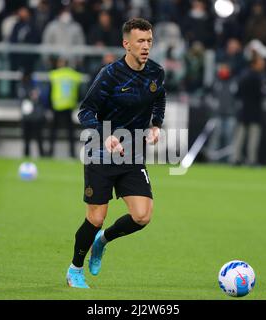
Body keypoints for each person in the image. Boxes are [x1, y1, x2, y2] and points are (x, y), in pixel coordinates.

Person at [65, 18, 166, 289]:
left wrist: (156, 125)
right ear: (126, 44)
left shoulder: (156, 72)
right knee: (96, 217)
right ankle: (75, 269)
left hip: (132, 154)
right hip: (100, 151)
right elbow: (85, 111)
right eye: (140, 42)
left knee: (142, 216)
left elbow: (159, 98)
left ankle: (103, 242)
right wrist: (105, 134)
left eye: (149, 42)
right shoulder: (110, 74)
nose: (146, 47)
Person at [230, 52, 266, 166]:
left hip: (243, 110)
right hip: (254, 111)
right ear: (254, 64)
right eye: (261, 62)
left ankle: (235, 158)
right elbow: (262, 94)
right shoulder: (259, 77)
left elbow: (237, 93)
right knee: (253, 138)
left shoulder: (243, 75)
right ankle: (251, 160)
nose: (263, 64)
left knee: (240, 136)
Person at [48, 58, 84, 158]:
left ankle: (50, 153)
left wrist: (49, 106)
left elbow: (49, 90)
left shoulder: (54, 74)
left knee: (53, 132)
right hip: (69, 105)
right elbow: (80, 89)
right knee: (70, 133)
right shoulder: (73, 75)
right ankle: (72, 153)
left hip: (57, 106)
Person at [18, 72, 46, 158]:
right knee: (27, 140)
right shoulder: (22, 87)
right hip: (28, 118)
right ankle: (26, 155)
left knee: (39, 138)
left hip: (36, 117)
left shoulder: (36, 87)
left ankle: (41, 155)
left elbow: (41, 99)